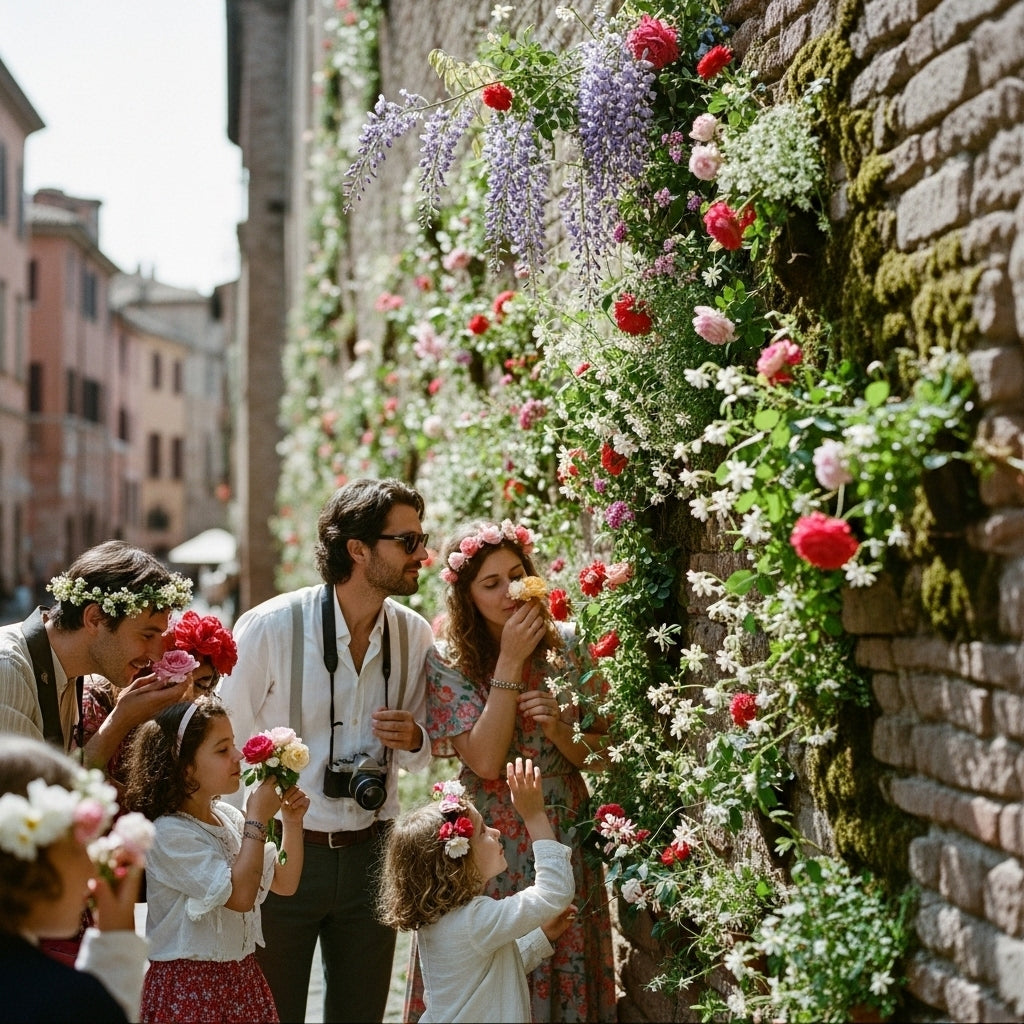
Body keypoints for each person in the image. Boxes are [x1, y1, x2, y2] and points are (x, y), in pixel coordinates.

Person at [217, 477, 435, 1023]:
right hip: (282, 854)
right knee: (273, 1013)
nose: (423, 555)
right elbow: (221, 746)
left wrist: (413, 737)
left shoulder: (413, 634)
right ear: (357, 549)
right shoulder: (270, 627)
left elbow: (420, 755)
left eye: (421, 539)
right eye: (407, 542)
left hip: (374, 854)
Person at [408, 519, 618, 1023]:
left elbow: (604, 754)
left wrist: (561, 731)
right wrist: (509, 663)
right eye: (491, 583)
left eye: (517, 574)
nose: (509, 591)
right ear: (467, 597)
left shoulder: (568, 644)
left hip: (561, 822)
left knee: (559, 941)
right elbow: (482, 760)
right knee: (493, 958)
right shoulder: (448, 662)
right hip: (486, 841)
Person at [122, 696, 309, 1023]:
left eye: (233, 745)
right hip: (190, 991)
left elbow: (286, 882)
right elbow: (239, 897)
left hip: (242, 981)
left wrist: (291, 823)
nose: (237, 756)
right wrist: (257, 819)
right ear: (185, 767)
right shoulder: (169, 833)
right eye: (222, 750)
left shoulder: (228, 818)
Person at [379, 758, 576, 1023]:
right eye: (483, 831)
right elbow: (555, 891)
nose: (495, 832)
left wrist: (540, 937)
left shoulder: (446, 921)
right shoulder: (473, 920)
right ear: (457, 860)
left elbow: (491, 974)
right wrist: (535, 815)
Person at [0, 540, 195, 765]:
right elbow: (29, 792)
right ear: (94, 619)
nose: (156, 655)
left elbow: (59, 782)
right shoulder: (9, 671)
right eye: (147, 635)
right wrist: (120, 721)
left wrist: (122, 716)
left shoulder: (66, 669)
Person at [0, 735, 148, 1023]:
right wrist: (117, 945)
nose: (93, 871)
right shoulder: (67, 1002)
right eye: (80, 847)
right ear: (28, 855)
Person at [76, 610, 239, 793]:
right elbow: (76, 781)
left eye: (202, 685)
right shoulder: (94, 703)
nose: (187, 696)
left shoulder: (191, 732)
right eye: (176, 681)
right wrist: (121, 720)